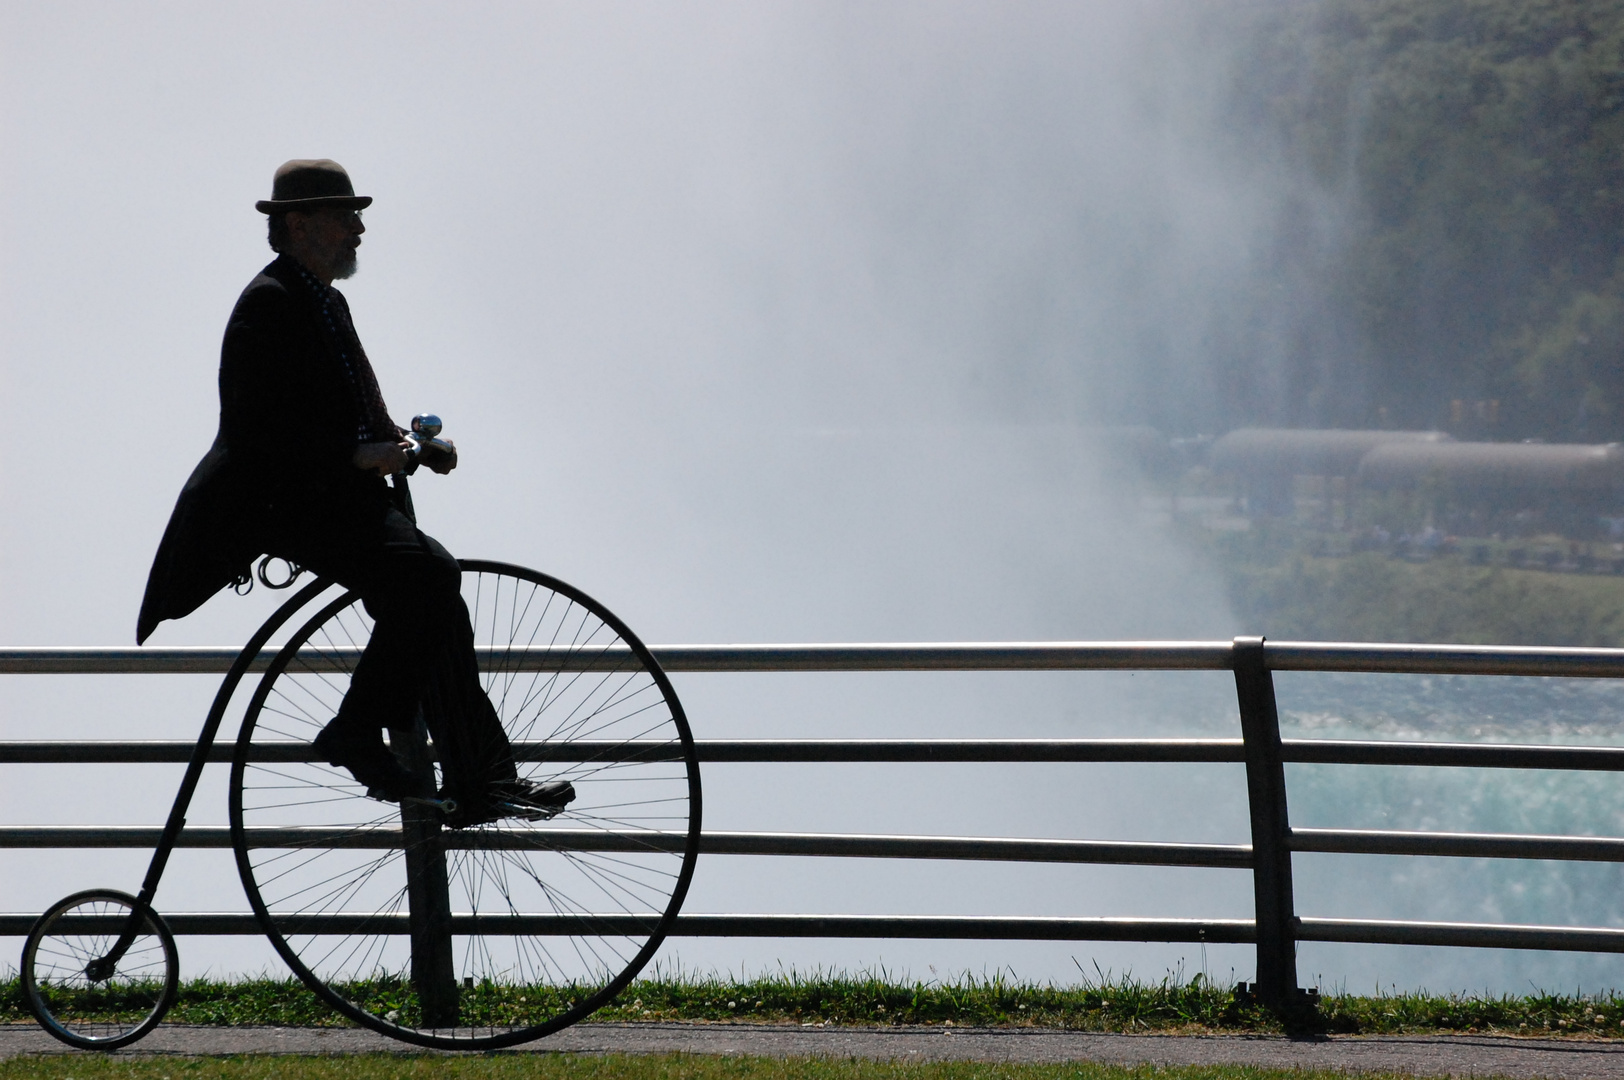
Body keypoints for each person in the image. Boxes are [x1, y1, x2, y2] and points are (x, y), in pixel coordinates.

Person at [136, 159, 570, 827]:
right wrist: (356, 453)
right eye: (345, 217)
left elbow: (340, 409)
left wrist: (403, 443)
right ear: (297, 224)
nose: (360, 229)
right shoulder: (270, 302)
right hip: (285, 500)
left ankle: (483, 778)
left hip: (330, 494)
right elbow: (259, 433)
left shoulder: (323, 300)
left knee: (434, 598)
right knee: (426, 575)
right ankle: (357, 730)